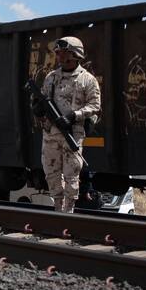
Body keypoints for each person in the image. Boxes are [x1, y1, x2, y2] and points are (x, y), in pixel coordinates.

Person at [34, 36, 101, 213]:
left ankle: (68, 212)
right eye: (57, 53)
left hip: (73, 132)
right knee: (51, 172)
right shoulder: (51, 78)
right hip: (51, 133)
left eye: (62, 53)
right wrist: (38, 109)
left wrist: (73, 116)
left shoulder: (87, 79)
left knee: (72, 174)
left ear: (74, 54)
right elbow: (42, 99)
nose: (58, 56)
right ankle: (58, 209)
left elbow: (95, 105)